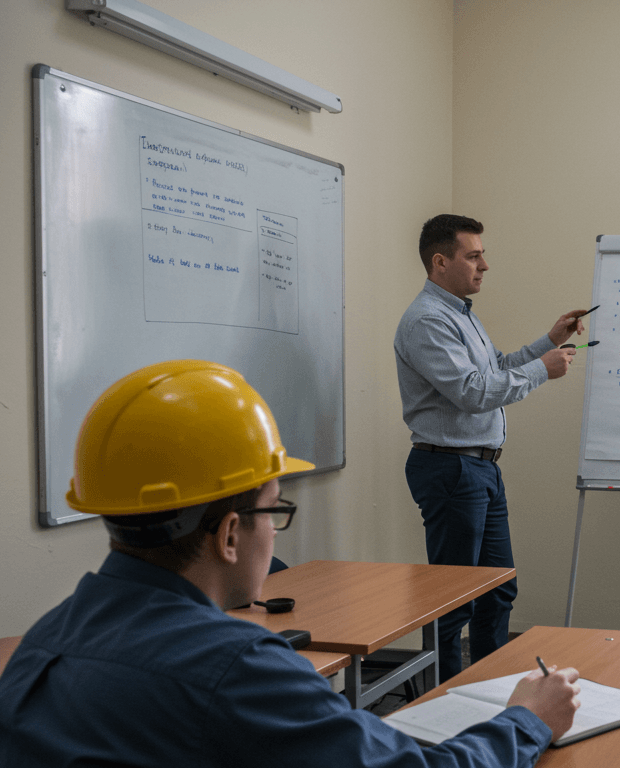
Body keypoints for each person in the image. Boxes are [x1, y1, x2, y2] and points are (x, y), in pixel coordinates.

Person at [0, 360, 582, 767]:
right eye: (274, 510)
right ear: (230, 534)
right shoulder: (237, 669)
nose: (274, 532)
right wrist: (529, 719)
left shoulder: (43, 642)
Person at [396, 214, 589, 682]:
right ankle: (445, 699)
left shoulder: (461, 314)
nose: (484, 265)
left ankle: (490, 688)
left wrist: (550, 341)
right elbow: (472, 392)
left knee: (498, 590)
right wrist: (543, 369)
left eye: (482, 255)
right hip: (451, 469)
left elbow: (496, 368)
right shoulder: (427, 321)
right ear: (441, 262)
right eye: (473, 256)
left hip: (479, 469)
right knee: (454, 600)